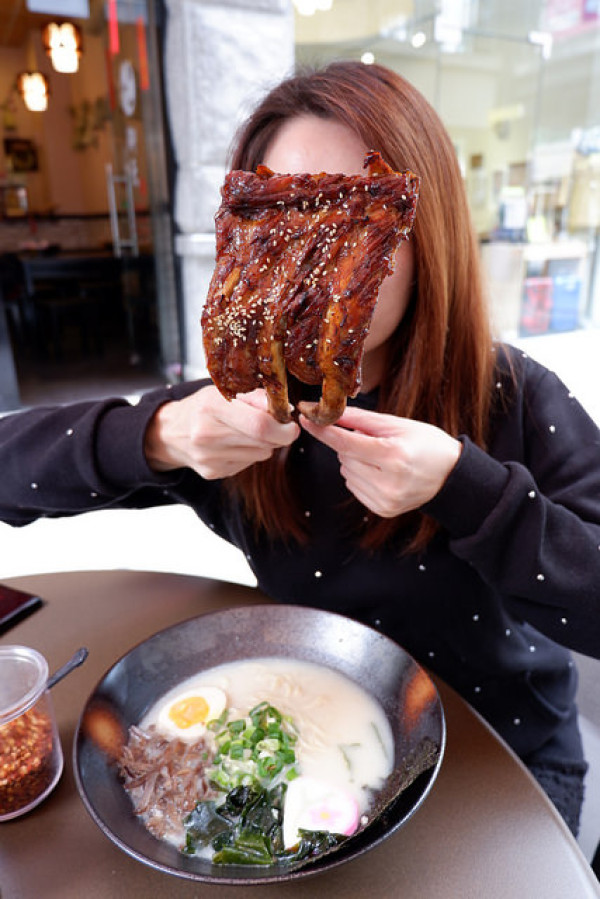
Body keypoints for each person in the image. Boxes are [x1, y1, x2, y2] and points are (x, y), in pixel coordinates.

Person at [1, 61, 599, 837]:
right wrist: (158, 435)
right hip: (320, 756)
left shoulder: (511, 396)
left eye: (354, 217)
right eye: (283, 217)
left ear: (424, 229)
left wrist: (467, 489)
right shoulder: (244, 408)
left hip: (504, 763)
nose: (314, 258)